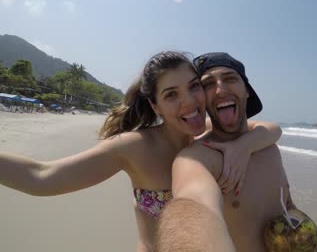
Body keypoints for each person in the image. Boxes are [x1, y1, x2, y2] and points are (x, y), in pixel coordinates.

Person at [0, 51, 282, 252]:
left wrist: (245, 146)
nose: (189, 103)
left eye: (194, 87)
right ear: (156, 106)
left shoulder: (211, 133)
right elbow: (42, 176)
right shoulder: (134, 147)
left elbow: (270, 128)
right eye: (171, 95)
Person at [160, 52, 317, 251]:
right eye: (208, 84)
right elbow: (192, 206)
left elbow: (286, 204)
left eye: (230, 78)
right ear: (202, 99)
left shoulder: (268, 147)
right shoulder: (196, 159)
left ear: (247, 91)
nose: (220, 90)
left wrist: (301, 233)